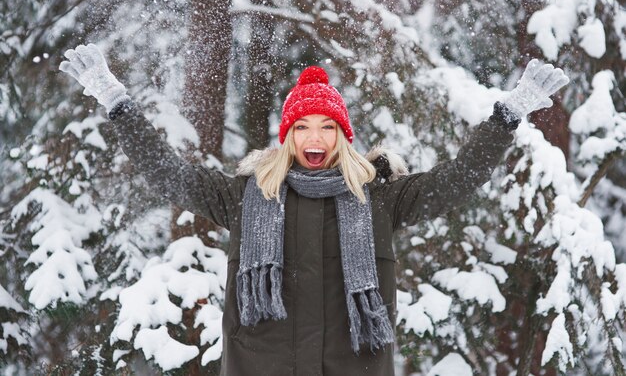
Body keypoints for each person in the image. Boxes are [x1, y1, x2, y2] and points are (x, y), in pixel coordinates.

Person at [59, 44, 569, 375]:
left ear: (342, 136)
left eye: (326, 126)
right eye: (302, 127)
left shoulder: (379, 198)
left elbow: (456, 181)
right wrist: (116, 101)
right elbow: (169, 172)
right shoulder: (246, 197)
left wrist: (509, 114)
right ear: (287, 136)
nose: (314, 137)